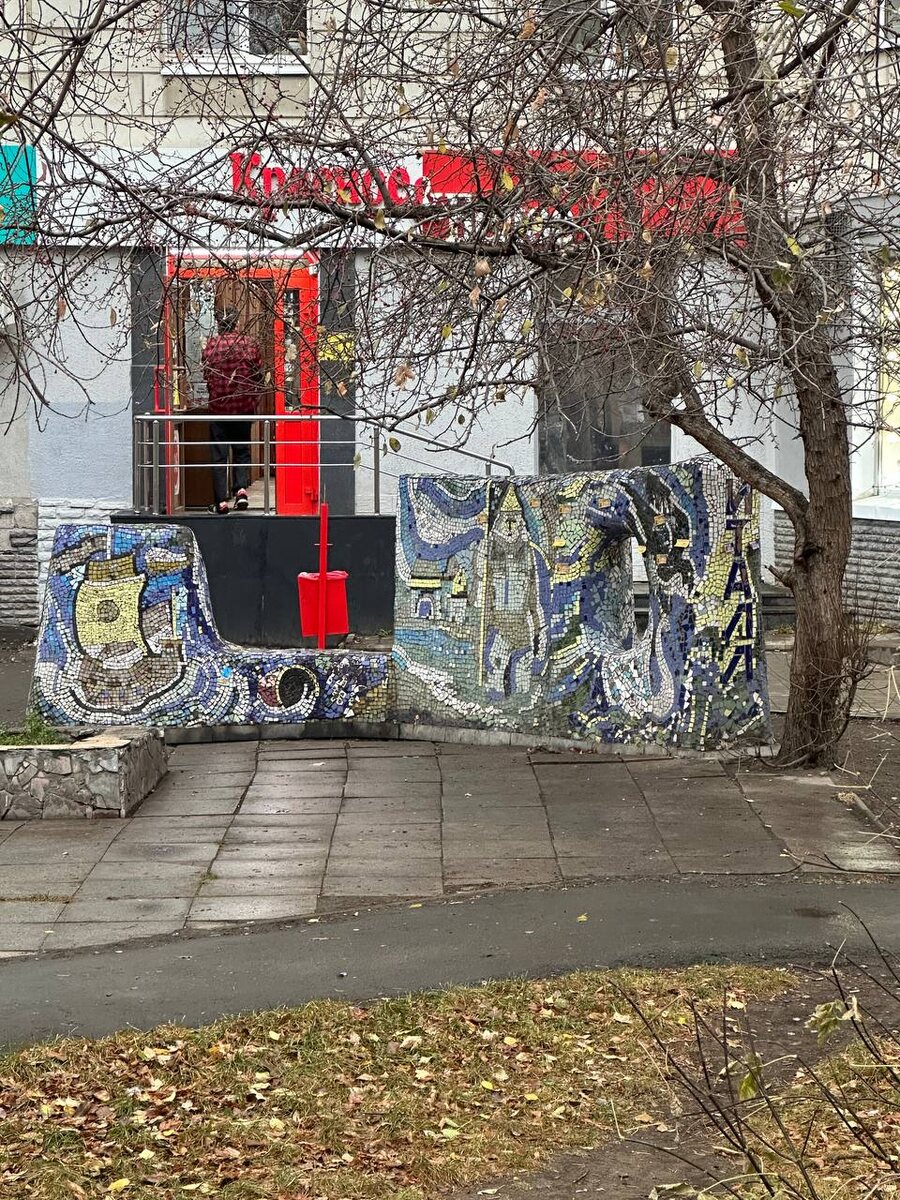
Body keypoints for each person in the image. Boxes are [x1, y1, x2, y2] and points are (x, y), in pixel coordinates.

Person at [201, 307, 264, 514]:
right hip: (243, 407)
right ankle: (241, 491)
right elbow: (258, 374)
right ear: (236, 322)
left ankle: (221, 501)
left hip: (219, 408)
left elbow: (206, 374)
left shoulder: (211, 345)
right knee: (241, 450)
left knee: (219, 455)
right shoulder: (248, 344)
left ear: (219, 323)